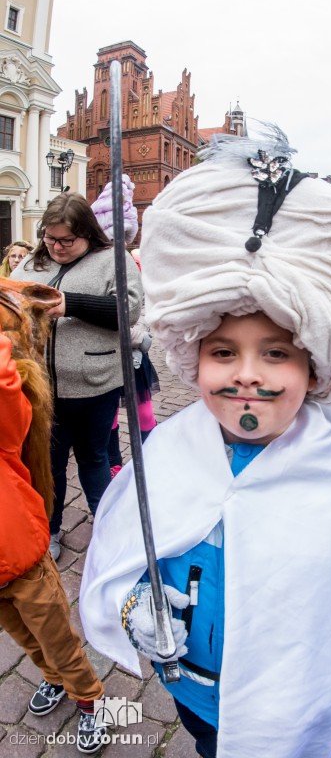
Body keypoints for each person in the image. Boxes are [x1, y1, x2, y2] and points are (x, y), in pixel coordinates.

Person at [80, 126, 331, 758]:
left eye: (276, 354)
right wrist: (135, 607)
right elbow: (131, 544)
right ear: (196, 358)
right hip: (195, 694)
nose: (246, 374)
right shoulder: (172, 449)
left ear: (313, 366)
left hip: (290, 703)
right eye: (223, 353)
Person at [0, 279, 106, 754]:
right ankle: (52, 680)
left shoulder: (7, 414)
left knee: (56, 635)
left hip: (18, 553)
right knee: (24, 636)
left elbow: (6, 387)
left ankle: (90, 699)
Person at [11, 192, 142, 559]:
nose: (57, 247)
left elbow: (128, 309)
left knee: (94, 458)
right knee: (48, 465)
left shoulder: (112, 260)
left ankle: (108, 528)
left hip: (93, 385)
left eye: (67, 240)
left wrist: (71, 303)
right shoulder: (34, 263)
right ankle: (49, 531)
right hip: (41, 390)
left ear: (87, 232)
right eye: (50, 238)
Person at [90, 175, 159, 477]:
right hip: (103, 356)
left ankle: (154, 458)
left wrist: (138, 334)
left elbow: (144, 308)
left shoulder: (133, 265)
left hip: (131, 354)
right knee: (109, 418)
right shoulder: (93, 266)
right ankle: (114, 465)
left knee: (142, 411)